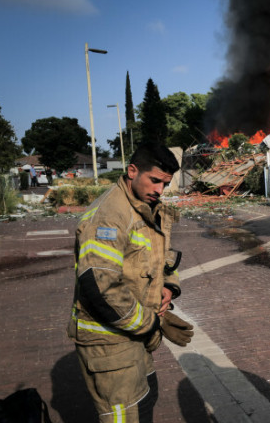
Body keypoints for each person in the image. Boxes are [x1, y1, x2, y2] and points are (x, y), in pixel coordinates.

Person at [67, 143, 193, 423]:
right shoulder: (109, 216)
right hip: (110, 342)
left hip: (136, 338)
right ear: (132, 171)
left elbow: (161, 255)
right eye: (155, 180)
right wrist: (149, 323)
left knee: (146, 401)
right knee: (125, 417)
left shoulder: (145, 205)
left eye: (166, 183)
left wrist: (168, 286)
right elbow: (100, 286)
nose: (160, 190)